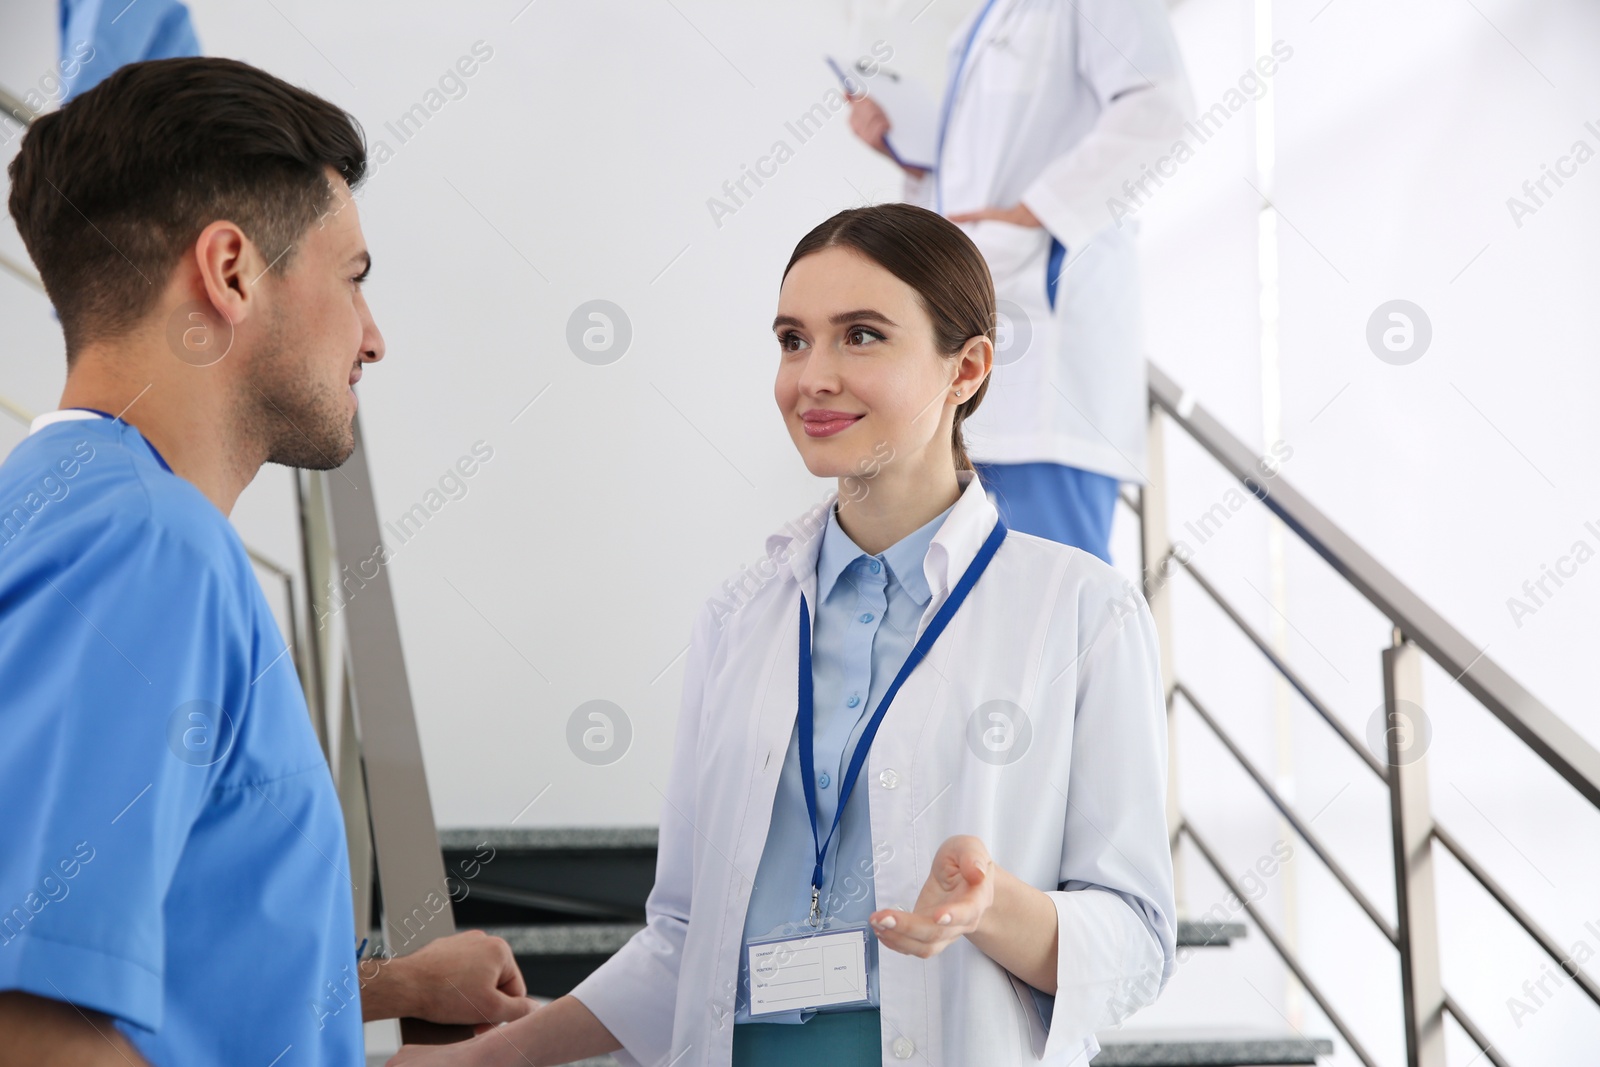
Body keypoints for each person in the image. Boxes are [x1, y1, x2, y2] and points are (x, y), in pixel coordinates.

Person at [390, 203, 1175, 1067]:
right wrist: (476, 1059)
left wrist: (996, 908)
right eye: (793, 340)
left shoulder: (1080, 611)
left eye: (862, 336)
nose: (814, 377)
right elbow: (682, 942)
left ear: (968, 368)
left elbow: (1137, 940)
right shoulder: (740, 616)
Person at [0, 57, 532, 1065]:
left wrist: (375, 984)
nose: (374, 338)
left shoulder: (55, 508)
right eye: (355, 278)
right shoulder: (148, 544)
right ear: (231, 271)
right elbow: (32, 1022)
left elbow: (114, 928)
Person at [848, 0, 1193, 563]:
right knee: (980, 615)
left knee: (1058, 613)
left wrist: (1039, 210)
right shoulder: (985, 17)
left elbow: (1161, 106)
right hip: (978, 363)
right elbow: (980, 188)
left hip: (1049, 373)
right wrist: (914, 161)